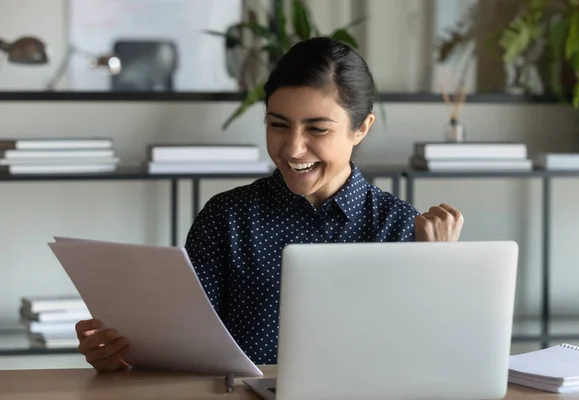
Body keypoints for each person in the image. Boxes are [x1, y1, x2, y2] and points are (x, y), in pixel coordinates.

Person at [74, 37, 464, 372]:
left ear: (361, 128)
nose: (293, 148)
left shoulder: (401, 227)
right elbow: (182, 348)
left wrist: (439, 268)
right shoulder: (226, 217)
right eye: (278, 125)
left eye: (317, 129)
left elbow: (434, 360)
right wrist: (121, 356)